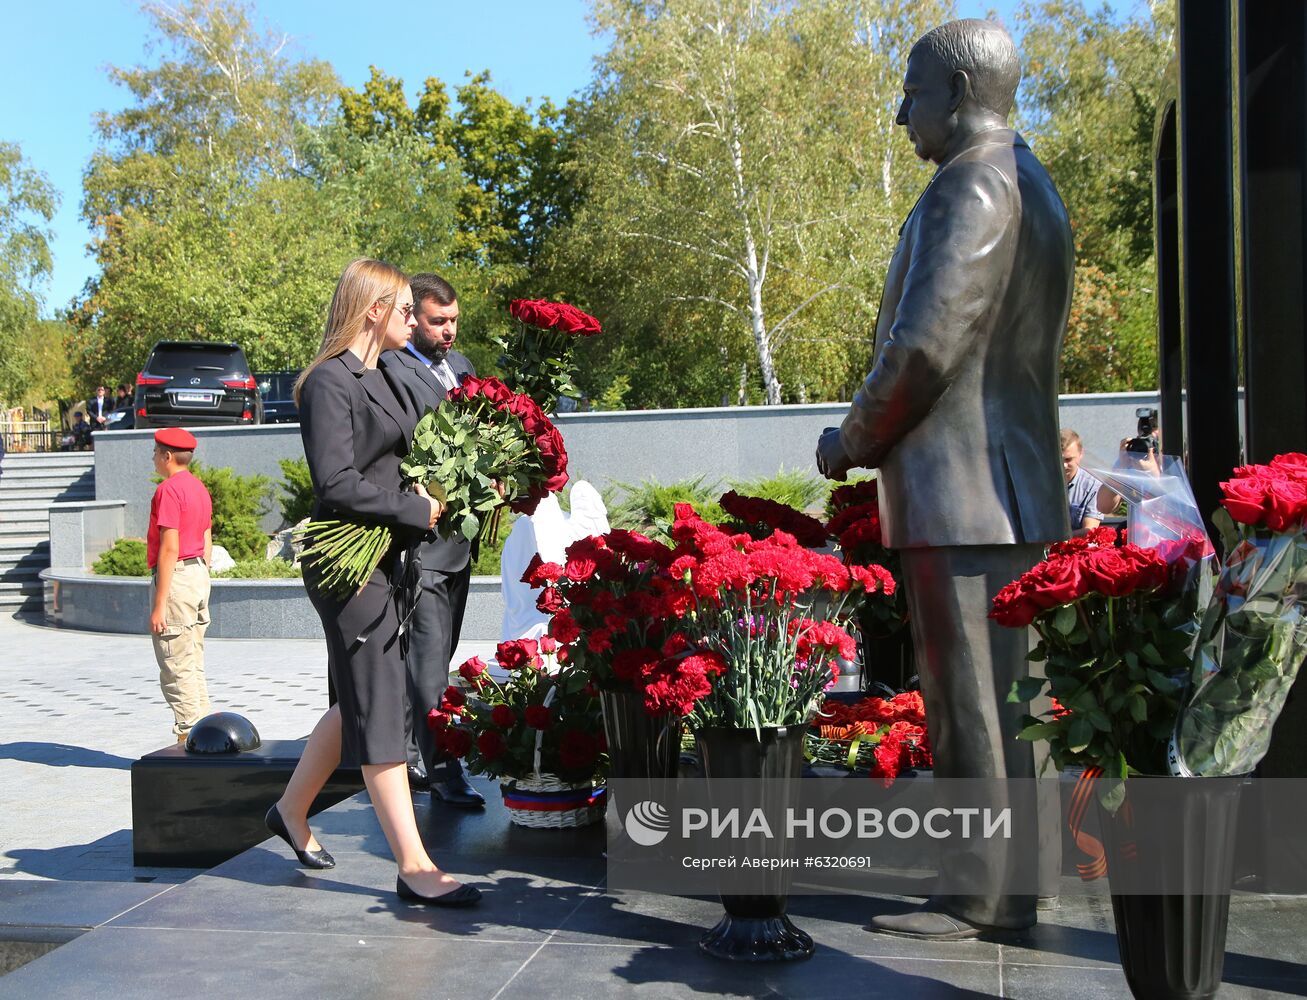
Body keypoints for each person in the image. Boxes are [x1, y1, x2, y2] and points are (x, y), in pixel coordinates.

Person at [816, 18, 1072, 938]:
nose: (899, 113)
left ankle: (983, 892)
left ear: (961, 95)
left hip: (962, 497)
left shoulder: (970, 186)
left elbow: (923, 347)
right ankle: (1014, 885)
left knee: (971, 707)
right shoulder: (1032, 185)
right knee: (1011, 707)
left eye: (913, 91)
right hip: (1008, 492)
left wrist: (849, 438)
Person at [267, 258, 480, 907]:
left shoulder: (380, 375)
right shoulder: (328, 383)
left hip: (385, 556)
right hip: (348, 563)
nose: (412, 320)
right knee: (383, 702)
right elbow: (334, 483)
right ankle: (414, 866)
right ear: (373, 311)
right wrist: (414, 508)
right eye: (403, 309)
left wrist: (451, 479)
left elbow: (395, 455)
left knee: (357, 701)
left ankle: (289, 811)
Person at [378, 272, 484, 808]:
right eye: (438, 321)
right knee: (426, 660)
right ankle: (441, 768)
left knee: (440, 653)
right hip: (421, 542)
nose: (449, 331)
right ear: (412, 318)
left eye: (454, 321)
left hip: (459, 541)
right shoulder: (391, 368)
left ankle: (413, 754)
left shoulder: (461, 368)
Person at [147, 428, 214, 742]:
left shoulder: (169, 490)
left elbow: (169, 547)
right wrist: (202, 576)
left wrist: (160, 603)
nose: (154, 459)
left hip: (177, 575)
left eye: (155, 453)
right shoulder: (199, 487)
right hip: (197, 572)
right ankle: (206, 732)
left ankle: (189, 738)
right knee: (192, 659)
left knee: (175, 663)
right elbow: (206, 536)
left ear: (167, 456)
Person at [1061, 429, 1104, 533]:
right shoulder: (1041, 483)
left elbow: (1090, 530)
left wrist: (1058, 541)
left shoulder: (1093, 485)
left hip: (1075, 548)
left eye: (1068, 459)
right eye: (1059, 459)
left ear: (1081, 454)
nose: (1063, 465)